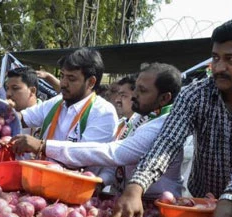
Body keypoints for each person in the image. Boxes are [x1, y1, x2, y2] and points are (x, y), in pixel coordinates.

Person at [111, 17, 232, 217]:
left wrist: (231, 196)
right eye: (215, 58)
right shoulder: (195, 94)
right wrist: (136, 185)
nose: (219, 67)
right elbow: (168, 142)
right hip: (201, 203)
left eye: (231, 59)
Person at [42, 63, 183, 198]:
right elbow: (116, 165)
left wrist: (45, 146)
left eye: (143, 90)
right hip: (126, 199)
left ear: (164, 98)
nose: (134, 95)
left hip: (156, 207)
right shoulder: (139, 117)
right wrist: (101, 181)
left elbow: (113, 153)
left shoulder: (163, 126)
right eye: (135, 89)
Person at [10, 48, 118, 174]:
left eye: (71, 78)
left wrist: (41, 146)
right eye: (62, 76)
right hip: (42, 180)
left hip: (78, 189)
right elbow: (23, 118)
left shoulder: (103, 112)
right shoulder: (57, 102)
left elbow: (83, 155)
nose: (63, 84)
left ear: (91, 82)